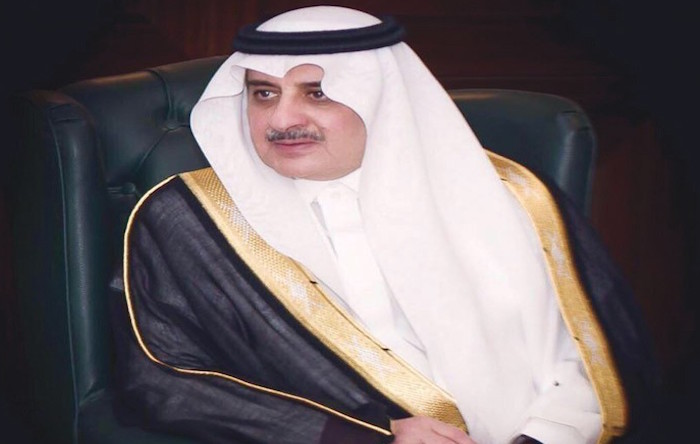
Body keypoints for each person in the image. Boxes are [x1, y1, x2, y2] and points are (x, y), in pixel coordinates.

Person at [110, 6, 661, 444]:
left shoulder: (511, 197)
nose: (282, 119)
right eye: (263, 94)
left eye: (317, 93)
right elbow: (163, 380)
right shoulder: (189, 218)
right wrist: (368, 436)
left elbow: (586, 355)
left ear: (378, 97)